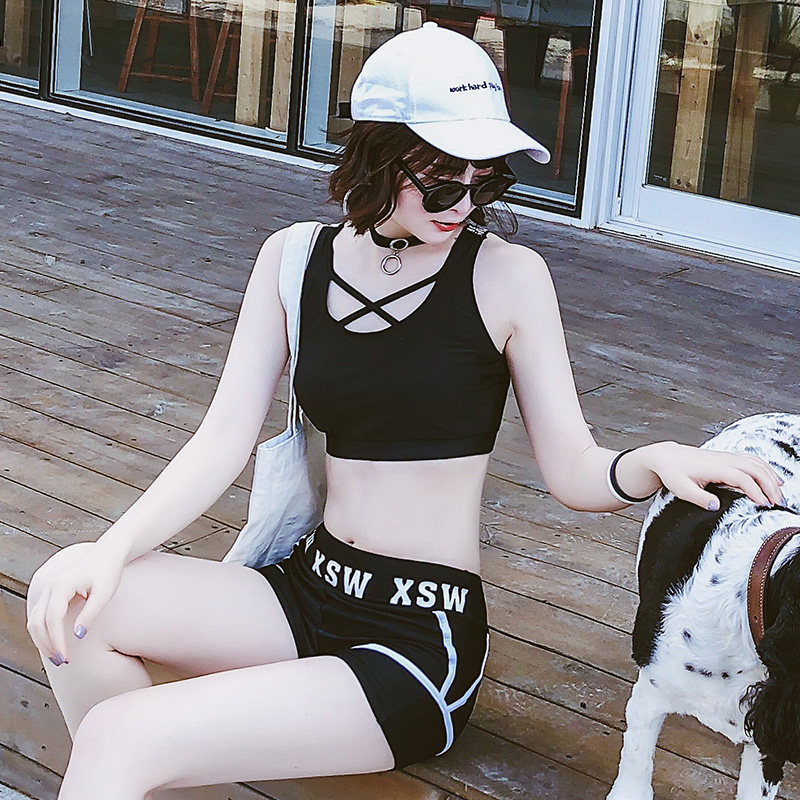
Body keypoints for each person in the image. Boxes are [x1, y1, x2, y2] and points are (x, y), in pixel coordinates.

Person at [24, 21, 785, 800]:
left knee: (123, 735)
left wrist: (652, 461)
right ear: (378, 155)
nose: (465, 204)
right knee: (69, 599)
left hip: (418, 636)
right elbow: (221, 439)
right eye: (444, 182)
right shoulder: (294, 259)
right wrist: (111, 550)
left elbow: (574, 470)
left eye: (484, 182)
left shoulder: (506, 277)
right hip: (307, 588)